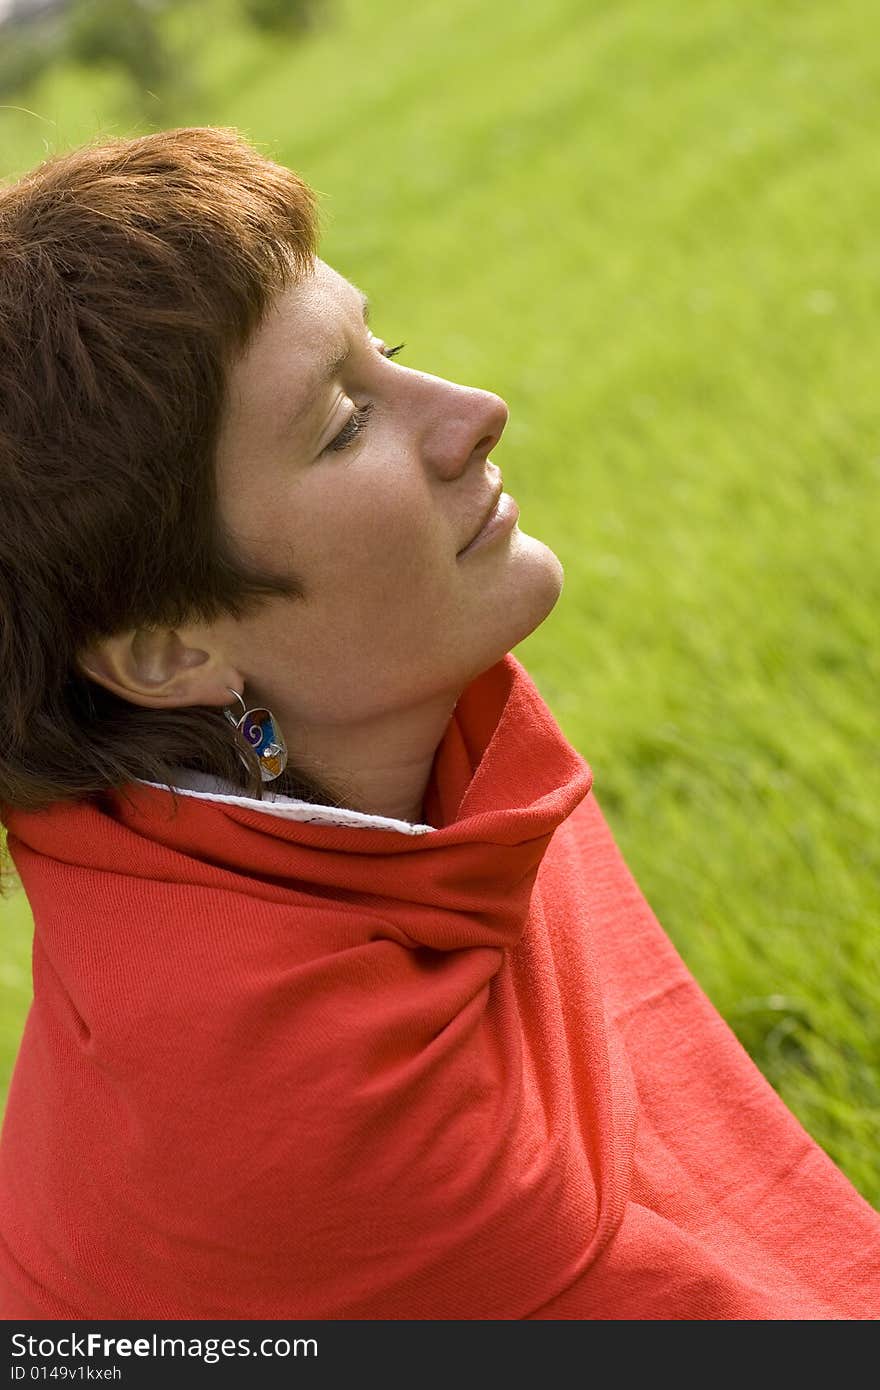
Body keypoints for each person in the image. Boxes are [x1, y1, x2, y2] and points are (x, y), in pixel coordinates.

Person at [0, 126, 877, 1322]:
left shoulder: (377, 743)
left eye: (389, 351)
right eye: (346, 422)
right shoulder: (322, 1118)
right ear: (169, 648)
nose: (475, 412)